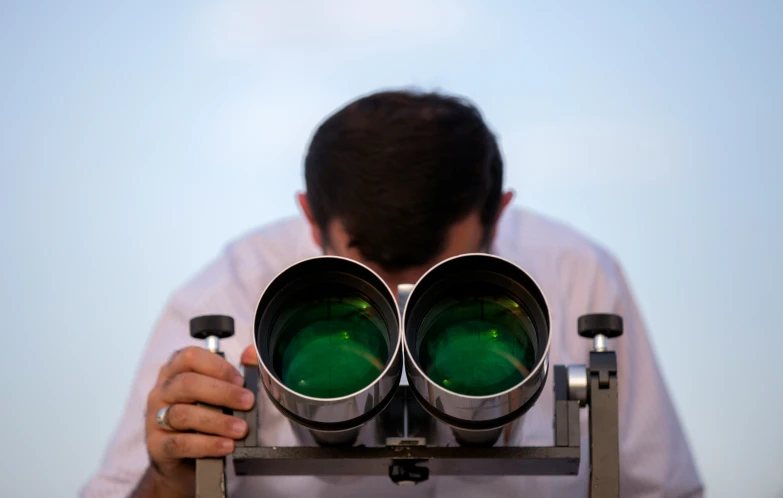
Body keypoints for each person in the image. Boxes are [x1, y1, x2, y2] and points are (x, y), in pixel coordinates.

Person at [80, 90, 704, 498]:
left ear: (501, 212)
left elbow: (659, 487)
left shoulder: (577, 273)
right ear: (308, 218)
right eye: (371, 276)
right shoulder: (231, 290)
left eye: (441, 276)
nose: (404, 305)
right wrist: (170, 479)